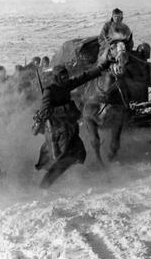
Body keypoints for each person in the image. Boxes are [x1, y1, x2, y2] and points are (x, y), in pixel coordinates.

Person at [32, 59, 111, 188]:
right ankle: (45, 185)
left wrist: (101, 67)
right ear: (57, 77)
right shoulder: (49, 91)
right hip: (57, 130)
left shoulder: (66, 85)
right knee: (61, 157)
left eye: (66, 75)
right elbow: (44, 111)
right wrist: (64, 108)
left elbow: (83, 77)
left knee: (79, 152)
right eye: (62, 76)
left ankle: (63, 179)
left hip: (69, 127)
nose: (65, 78)